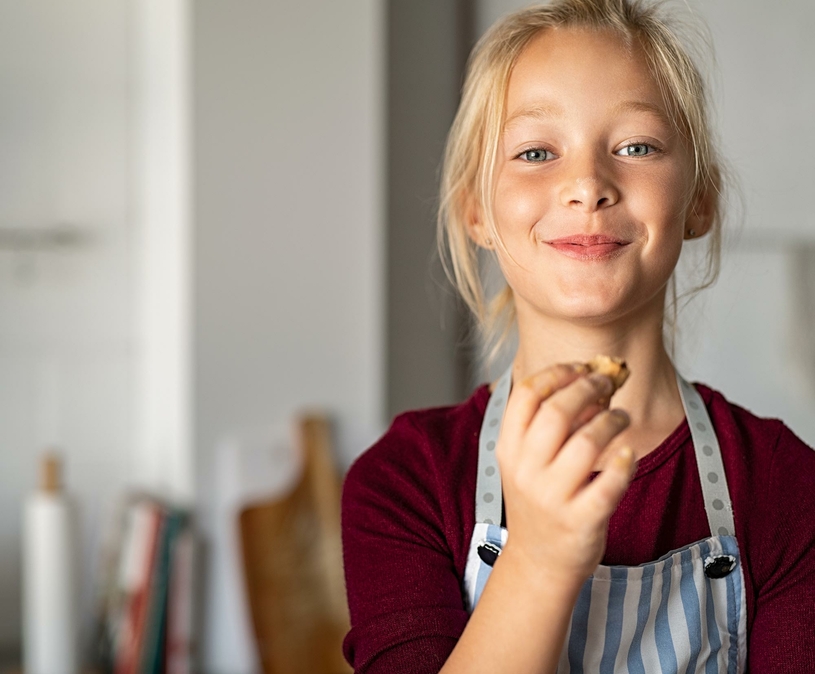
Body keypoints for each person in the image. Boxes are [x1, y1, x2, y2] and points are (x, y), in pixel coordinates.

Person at [340, 0, 815, 672]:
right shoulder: (403, 482)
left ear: (698, 200)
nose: (587, 184)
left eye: (636, 147)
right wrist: (538, 557)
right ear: (477, 210)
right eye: (535, 152)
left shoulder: (786, 484)